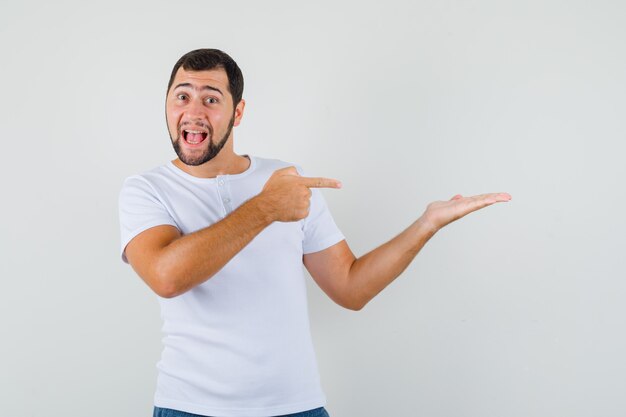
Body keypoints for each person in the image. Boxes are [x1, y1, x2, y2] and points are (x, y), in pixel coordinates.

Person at [118, 48, 511, 417]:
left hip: (296, 405)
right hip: (190, 407)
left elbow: (350, 288)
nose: (192, 110)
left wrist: (426, 224)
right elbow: (166, 276)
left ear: (238, 113)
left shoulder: (287, 180)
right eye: (181, 96)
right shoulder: (147, 189)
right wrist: (266, 208)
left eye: (211, 99)